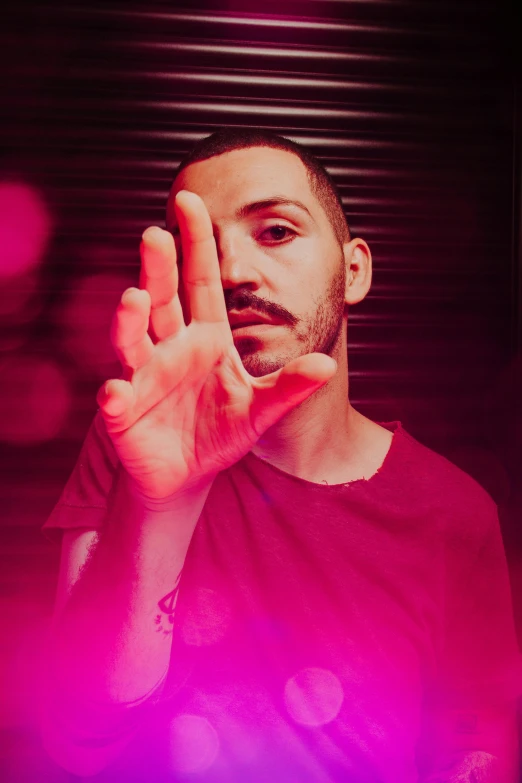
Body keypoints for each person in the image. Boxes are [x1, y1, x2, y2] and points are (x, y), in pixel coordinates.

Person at [41, 129, 522, 783]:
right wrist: (161, 506)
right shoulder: (134, 441)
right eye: (201, 248)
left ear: (353, 270)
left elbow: (473, 746)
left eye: (275, 231)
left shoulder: (457, 513)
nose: (234, 270)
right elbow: (77, 737)